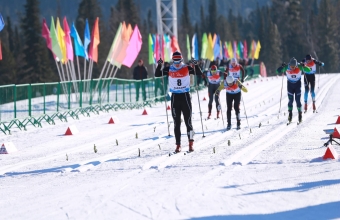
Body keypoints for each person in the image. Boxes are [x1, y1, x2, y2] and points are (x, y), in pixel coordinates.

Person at [155, 51, 203, 153]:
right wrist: (159, 65)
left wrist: (196, 64)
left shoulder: (187, 67)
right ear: (173, 60)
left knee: (188, 122)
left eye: (178, 61)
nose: (177, 63)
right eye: (175, 61)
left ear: (181, 60)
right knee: (176, 123)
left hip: (185, 96)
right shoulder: (169, 68)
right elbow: (157, 74)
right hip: (175, 97)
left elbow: (198, 73)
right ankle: (178, 145)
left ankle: (191, 143)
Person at [276, 58, 311, 123]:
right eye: (291, 67)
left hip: (297, 85)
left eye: (294, 67)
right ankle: (290, 114)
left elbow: (308, 70)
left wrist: (304, 66)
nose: (292, 68)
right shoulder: (287, 67)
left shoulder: (299, 66)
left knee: (298, 101)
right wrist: (281, 67)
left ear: (296, 65)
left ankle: (300, 114)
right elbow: (277, 71)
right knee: (290, 100)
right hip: (290, 86)